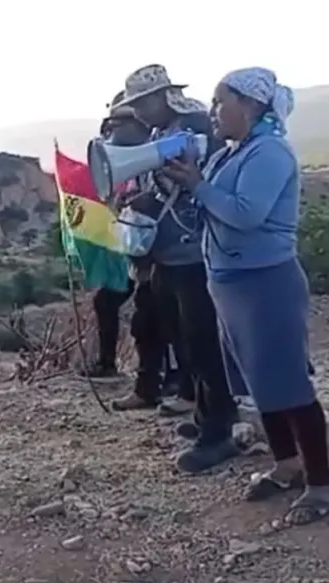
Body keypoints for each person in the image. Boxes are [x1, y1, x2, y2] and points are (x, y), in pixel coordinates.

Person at [163, 67, 329, 525]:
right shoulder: (235, 153)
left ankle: (320, 484)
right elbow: (211, 209)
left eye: (222, 102)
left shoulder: (270, 153)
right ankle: (287, 464)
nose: (214, 112)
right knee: (260, 382)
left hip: (265, 282)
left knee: (288, 383)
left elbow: (246, 214)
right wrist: (187, 186)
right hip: (232, 282)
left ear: (252, 106)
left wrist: (199, 185)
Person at [112, 64, 238, 473]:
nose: (141, 112)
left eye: (144, 102)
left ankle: (219, 431)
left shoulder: (198, 125)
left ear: (164, 97)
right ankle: (205, 415)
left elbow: (210, 180)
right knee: (184, 340)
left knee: (203, 342)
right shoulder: (158, 133)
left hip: (195, 254)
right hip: (168, 253)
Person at [85, 92, 150, 382]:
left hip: (154, 250)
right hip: (131, 245)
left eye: (119, 123)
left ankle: (162, 379)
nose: (113, 131)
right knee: (106, 302)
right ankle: (110, 364)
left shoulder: (152, 154)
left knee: (154, 316)